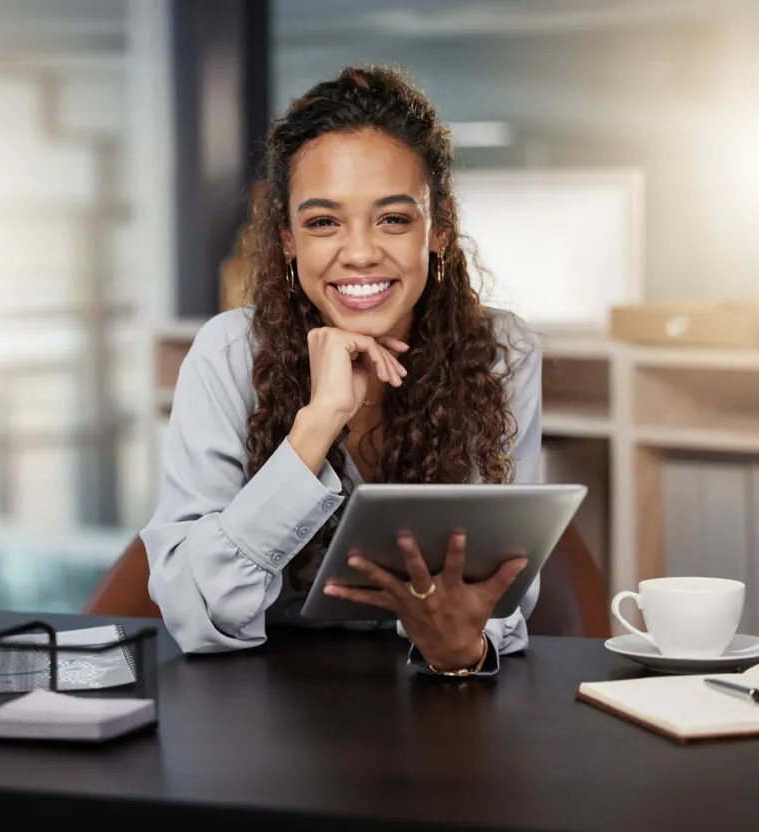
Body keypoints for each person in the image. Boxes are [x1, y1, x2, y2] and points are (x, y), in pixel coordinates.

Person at [141, 66, 542, 677]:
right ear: (287, 237)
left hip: (433, 699)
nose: (358, 252)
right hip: (260, 711)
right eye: (324, 221)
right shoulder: (227, 354)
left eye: (393, 219)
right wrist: (318, 423)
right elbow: (199, 615)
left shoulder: (499, 351)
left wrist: (465, 647)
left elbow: (505, 589)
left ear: (439, 227)